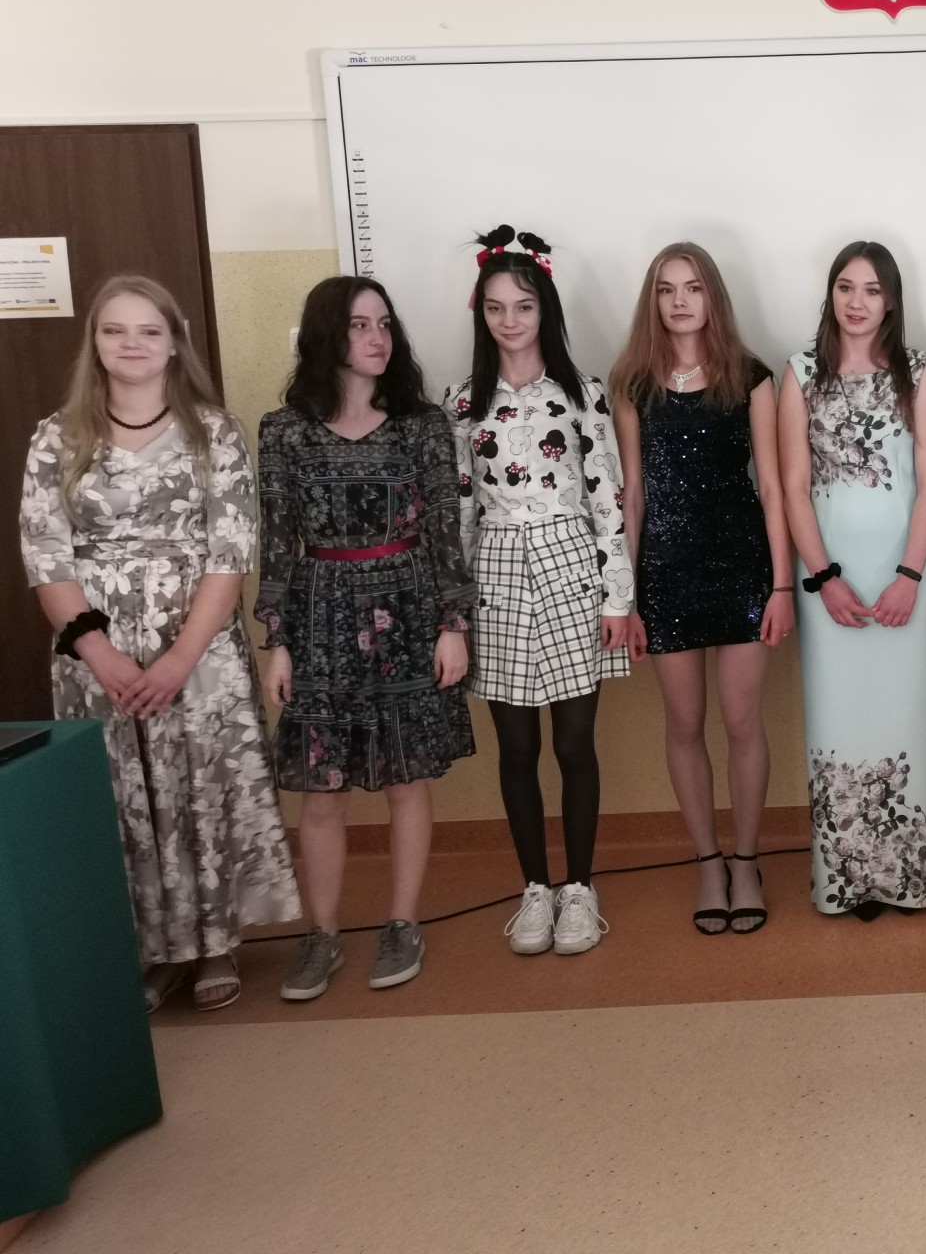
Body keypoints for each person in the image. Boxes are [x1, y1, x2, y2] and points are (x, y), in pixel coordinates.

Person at [20, 275, 300, 1013]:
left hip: (198, 649)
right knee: (123, 796)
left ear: (175, 342)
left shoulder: (215, 433)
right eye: (115, 330)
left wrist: (178, 658)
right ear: (95, 343)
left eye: (150, 330)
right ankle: (149, 949)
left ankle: (214, 943)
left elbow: (231, 554)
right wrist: (102, 656)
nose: (133, 344)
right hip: (96, 654)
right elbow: (46, 557)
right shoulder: (56, 437)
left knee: (201, 788)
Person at [258, 276, 476, 1000]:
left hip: (408, 612)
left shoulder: (422, 425)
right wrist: (278, 640)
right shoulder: (284, 430)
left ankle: (402, 923)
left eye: (384, 323)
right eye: (359, 325)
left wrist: (452, 627)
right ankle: (320, 935)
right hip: (319, 615)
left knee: (407, 781)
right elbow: (276, 541)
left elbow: (445, 531)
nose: (378, 337)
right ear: (328, 333)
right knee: (322, 791)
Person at [448, 226, 634, 957]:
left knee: (575, 740)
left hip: (570, 564)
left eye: (523, 306)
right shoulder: (462, 402)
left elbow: (608, 500)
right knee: (516, 745)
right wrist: (455, 615)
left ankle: (580, 888)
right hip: (495, 570)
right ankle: (535, 888)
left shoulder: (582, 394)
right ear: (481, 313)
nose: (510, 320)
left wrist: (617, 598)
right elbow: (460, 510)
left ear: (544, 310)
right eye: (495, 307)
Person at [611, 241, 792, 934]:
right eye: (667, 289)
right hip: (666, 571)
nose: (680, 300)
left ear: (712, 296)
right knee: (684, 725)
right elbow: (633, 495)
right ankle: (709, 863)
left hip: (742, 567)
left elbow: (772, 487)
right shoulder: (631, 383)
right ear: (653, 300)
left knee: (743, 723)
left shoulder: (750, 376)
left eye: (692, 287)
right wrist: (626, 598)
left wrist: (781, 586)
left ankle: (746, 860)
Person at [778, 240, 926, 916]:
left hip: (908, 572)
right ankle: (845, 879)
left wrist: (909, 575)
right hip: (829, 578)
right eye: (846, 287)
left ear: (891, 301)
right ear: (831, 294)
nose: (857, 302)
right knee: (838, 716)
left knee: (912, 716)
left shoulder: (919, 374)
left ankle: (911, 879)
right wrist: (824, 578)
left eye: (872, 290)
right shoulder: (798, 375)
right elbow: (793, 488)